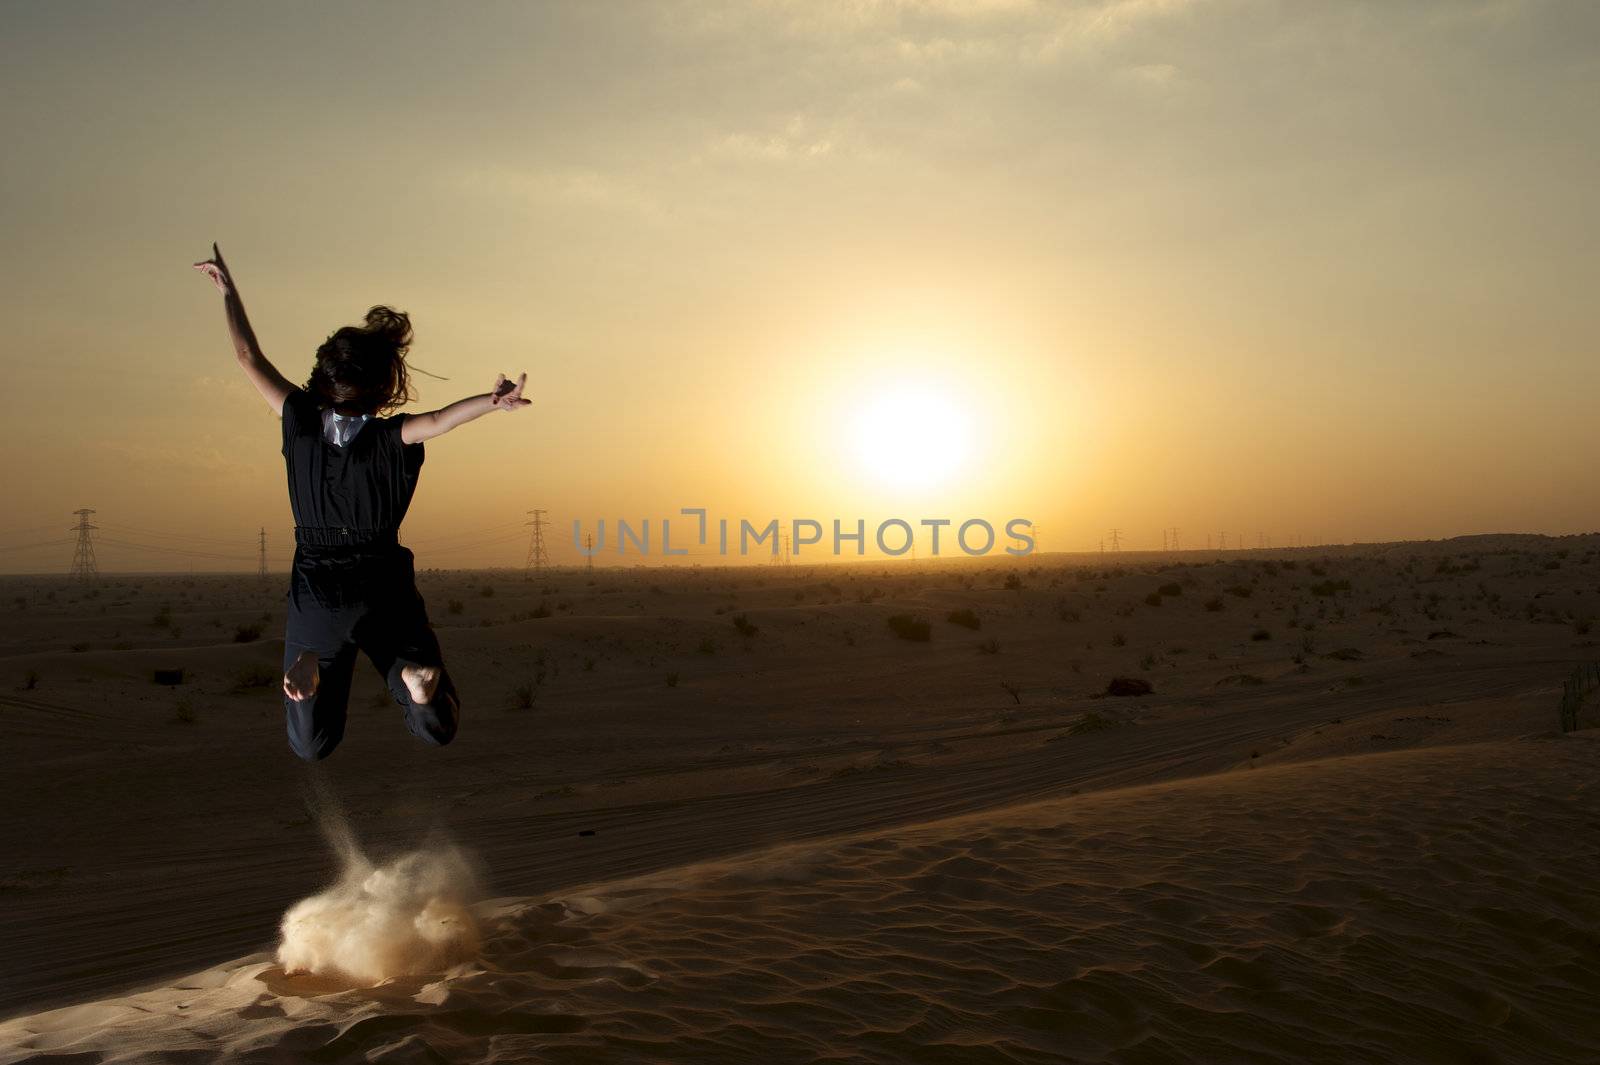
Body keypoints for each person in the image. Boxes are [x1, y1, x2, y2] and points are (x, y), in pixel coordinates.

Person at [193, 242, 530, 760]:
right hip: (382, 579)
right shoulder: (395, 435)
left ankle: (307, 690)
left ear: (326, 373)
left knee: (312, 745)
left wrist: (229, 292)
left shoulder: (298, 416)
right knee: (438, 726)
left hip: (317, 586)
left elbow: (246, 357)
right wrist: (493, 401)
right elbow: (443, 418)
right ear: (382, 384)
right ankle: (417, 687)